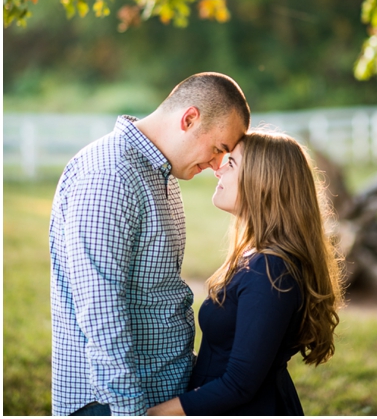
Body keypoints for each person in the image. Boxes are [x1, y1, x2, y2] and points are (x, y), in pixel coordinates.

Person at [50, 72, 250, 416]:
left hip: (159, 391)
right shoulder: (109, 175)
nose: (218, 165)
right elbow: (101, 310)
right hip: (114, 403)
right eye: (218, 149)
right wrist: (131, 411)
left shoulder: (159, 173)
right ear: (189, 119)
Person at [147, 130, 344, 415]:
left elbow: (239, 384)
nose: (218, 171)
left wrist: (153, 413)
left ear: (262, 183)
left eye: (231, 164)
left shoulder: (271, 270)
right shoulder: (258, 256)